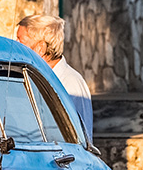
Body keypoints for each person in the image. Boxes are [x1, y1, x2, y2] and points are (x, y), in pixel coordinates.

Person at [14, 13, 92, 141]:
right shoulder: (30, 76)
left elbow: (80, 139)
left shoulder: (70, 83)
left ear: (40, 48)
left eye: (20, 41)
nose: (16, 45)